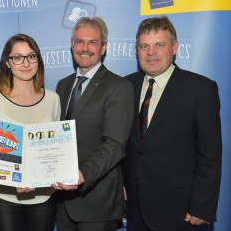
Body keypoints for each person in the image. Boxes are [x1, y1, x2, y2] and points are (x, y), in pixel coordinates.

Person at [123, 16, 222, 231]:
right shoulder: (126, 86)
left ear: (174, 47)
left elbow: (210, 154)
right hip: (135, 210)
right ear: (137, 50)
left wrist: (202, 207)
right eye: (144, 46)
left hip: (181, 212)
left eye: (159, 45)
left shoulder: (200, 89)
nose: (151, 52)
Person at [53, 17, 134, 231]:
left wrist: (82, 174)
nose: (85, 48)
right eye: (79, 42)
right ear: (72, 46)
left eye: (92, 43)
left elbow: (114, 145)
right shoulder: (63, 85)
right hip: (63, 200)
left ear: (104, 47)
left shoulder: (118, 87)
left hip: (97, 200)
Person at [0, 33, 61, 231]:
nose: (26, 63)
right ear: (7, 63)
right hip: (5, 198)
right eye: (17, 57)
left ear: (38, 60)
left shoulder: (53, 99)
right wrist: (13, 183)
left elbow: (57, 152)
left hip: (44, 197)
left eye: (31, 56)